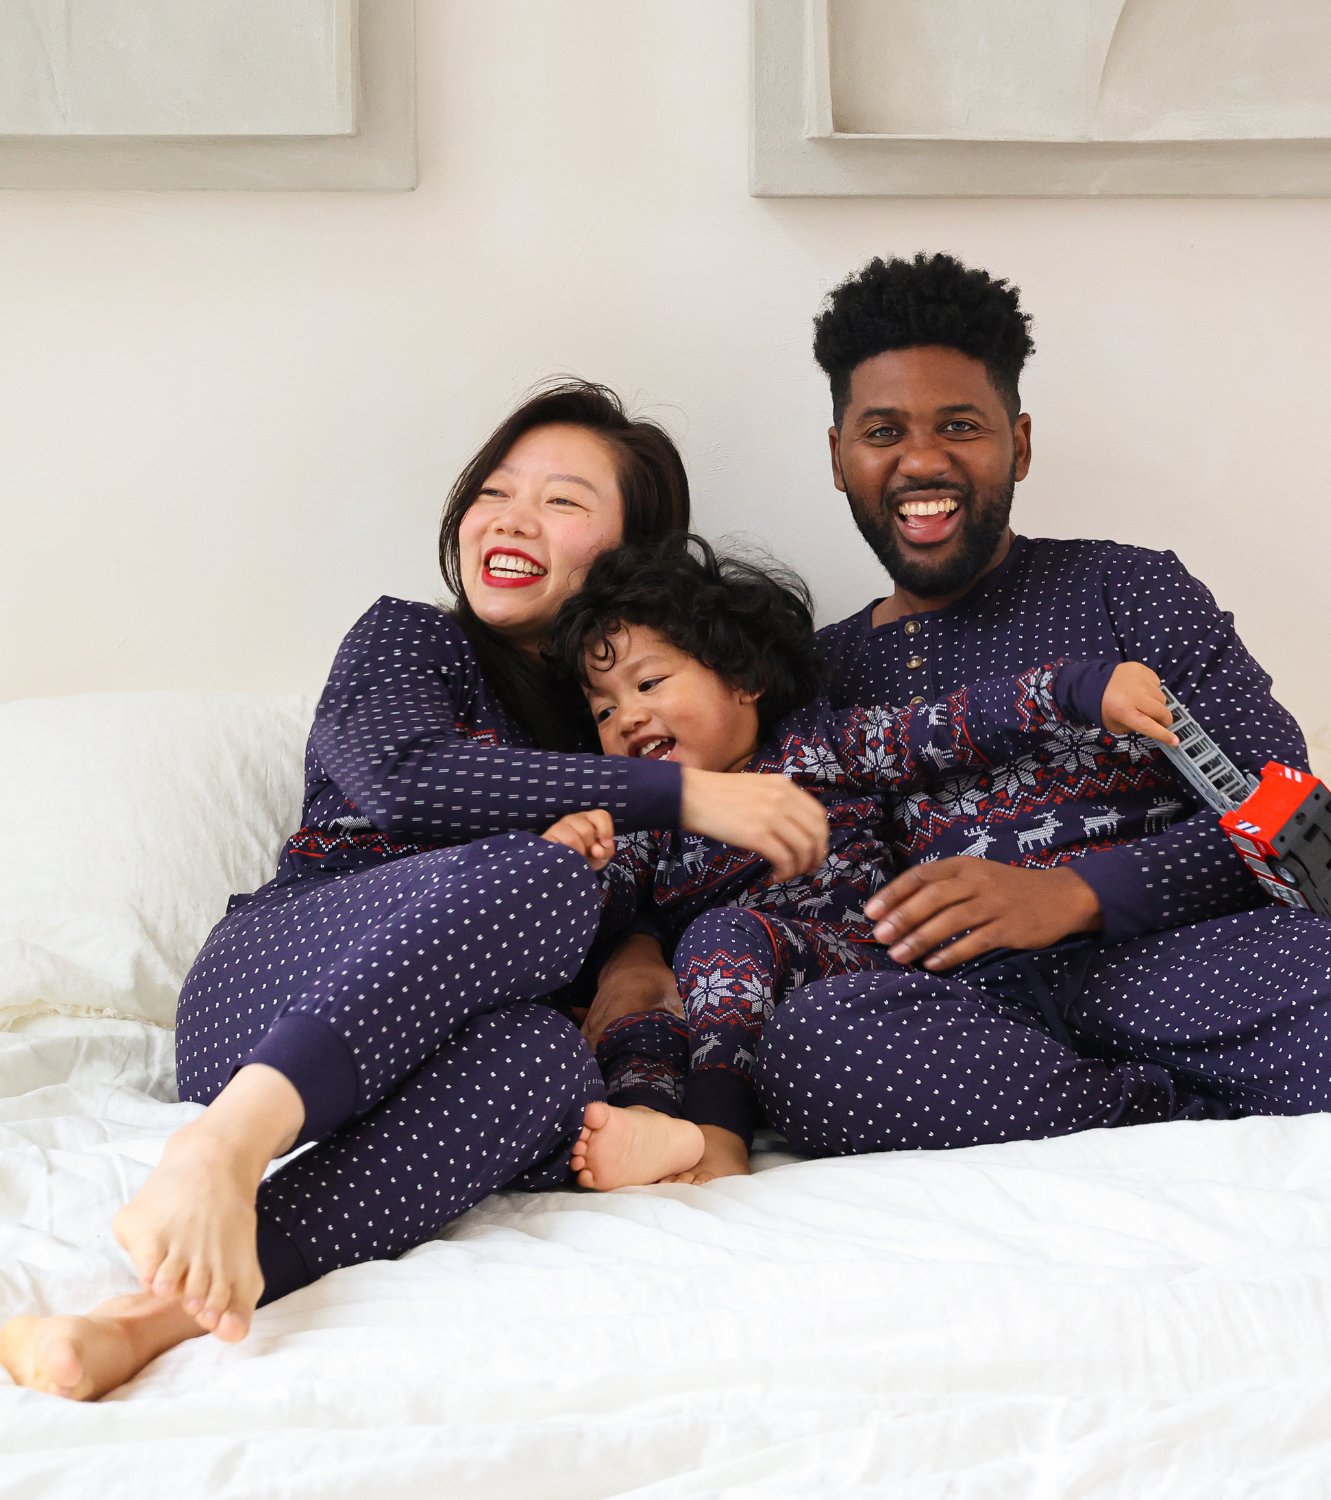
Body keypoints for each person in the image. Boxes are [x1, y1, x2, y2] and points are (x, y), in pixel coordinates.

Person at [0, 381, 829, 1401]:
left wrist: (638, 953)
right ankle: (217, 1148)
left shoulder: (622, 727)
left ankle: (135, 1323)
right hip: (266, 1003)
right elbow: (402, 773)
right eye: (495, 489)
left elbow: (661, 926)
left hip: (421, 1058)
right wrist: (682, 793)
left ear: (626, 558)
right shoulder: (410, 644)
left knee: (545, 1065)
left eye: (563, 500)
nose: (513, 516)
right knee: (542, 869)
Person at [753, 252, 1331, 1157]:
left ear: (1018, 443)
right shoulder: (812, 673)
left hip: (1185, 966)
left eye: (960, 425)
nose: (922, 460)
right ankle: (1167, 1121)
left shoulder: (1127, 589)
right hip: (967, 1015)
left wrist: (1071, 894)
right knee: (808, 1046)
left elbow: (1291, 810)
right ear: (839, 456)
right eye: (882, 432)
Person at [537, 534, 1210, 1189]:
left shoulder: (821, 747)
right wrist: (572, 858)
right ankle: (646, 1126)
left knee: (720, 934)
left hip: (854, 964)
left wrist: (1081, 688)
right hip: (723, 1003)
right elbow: (602, 905)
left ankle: (717, 1140)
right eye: (604, 709)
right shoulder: (652, 815)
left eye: (649, 682)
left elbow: (952, 726)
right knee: (645, 1012)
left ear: (742, 679)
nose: (627, 716)